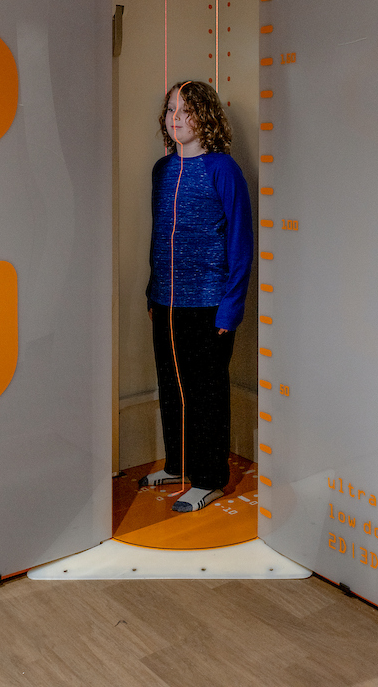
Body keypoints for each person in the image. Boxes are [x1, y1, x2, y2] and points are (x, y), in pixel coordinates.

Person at [141, 80, 253, 513]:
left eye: (186, 111)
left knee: (206, 391)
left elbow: (241, 243)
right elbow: (159, 238)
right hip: (166, 302)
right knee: (172, 386)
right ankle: (178, 463)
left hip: (209, 304)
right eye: (171, 109)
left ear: (204, 117)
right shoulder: (161, 170)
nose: (176, 119)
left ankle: (209, 478)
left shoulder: (223, 169)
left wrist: (231, 306)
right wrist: (153, 292)